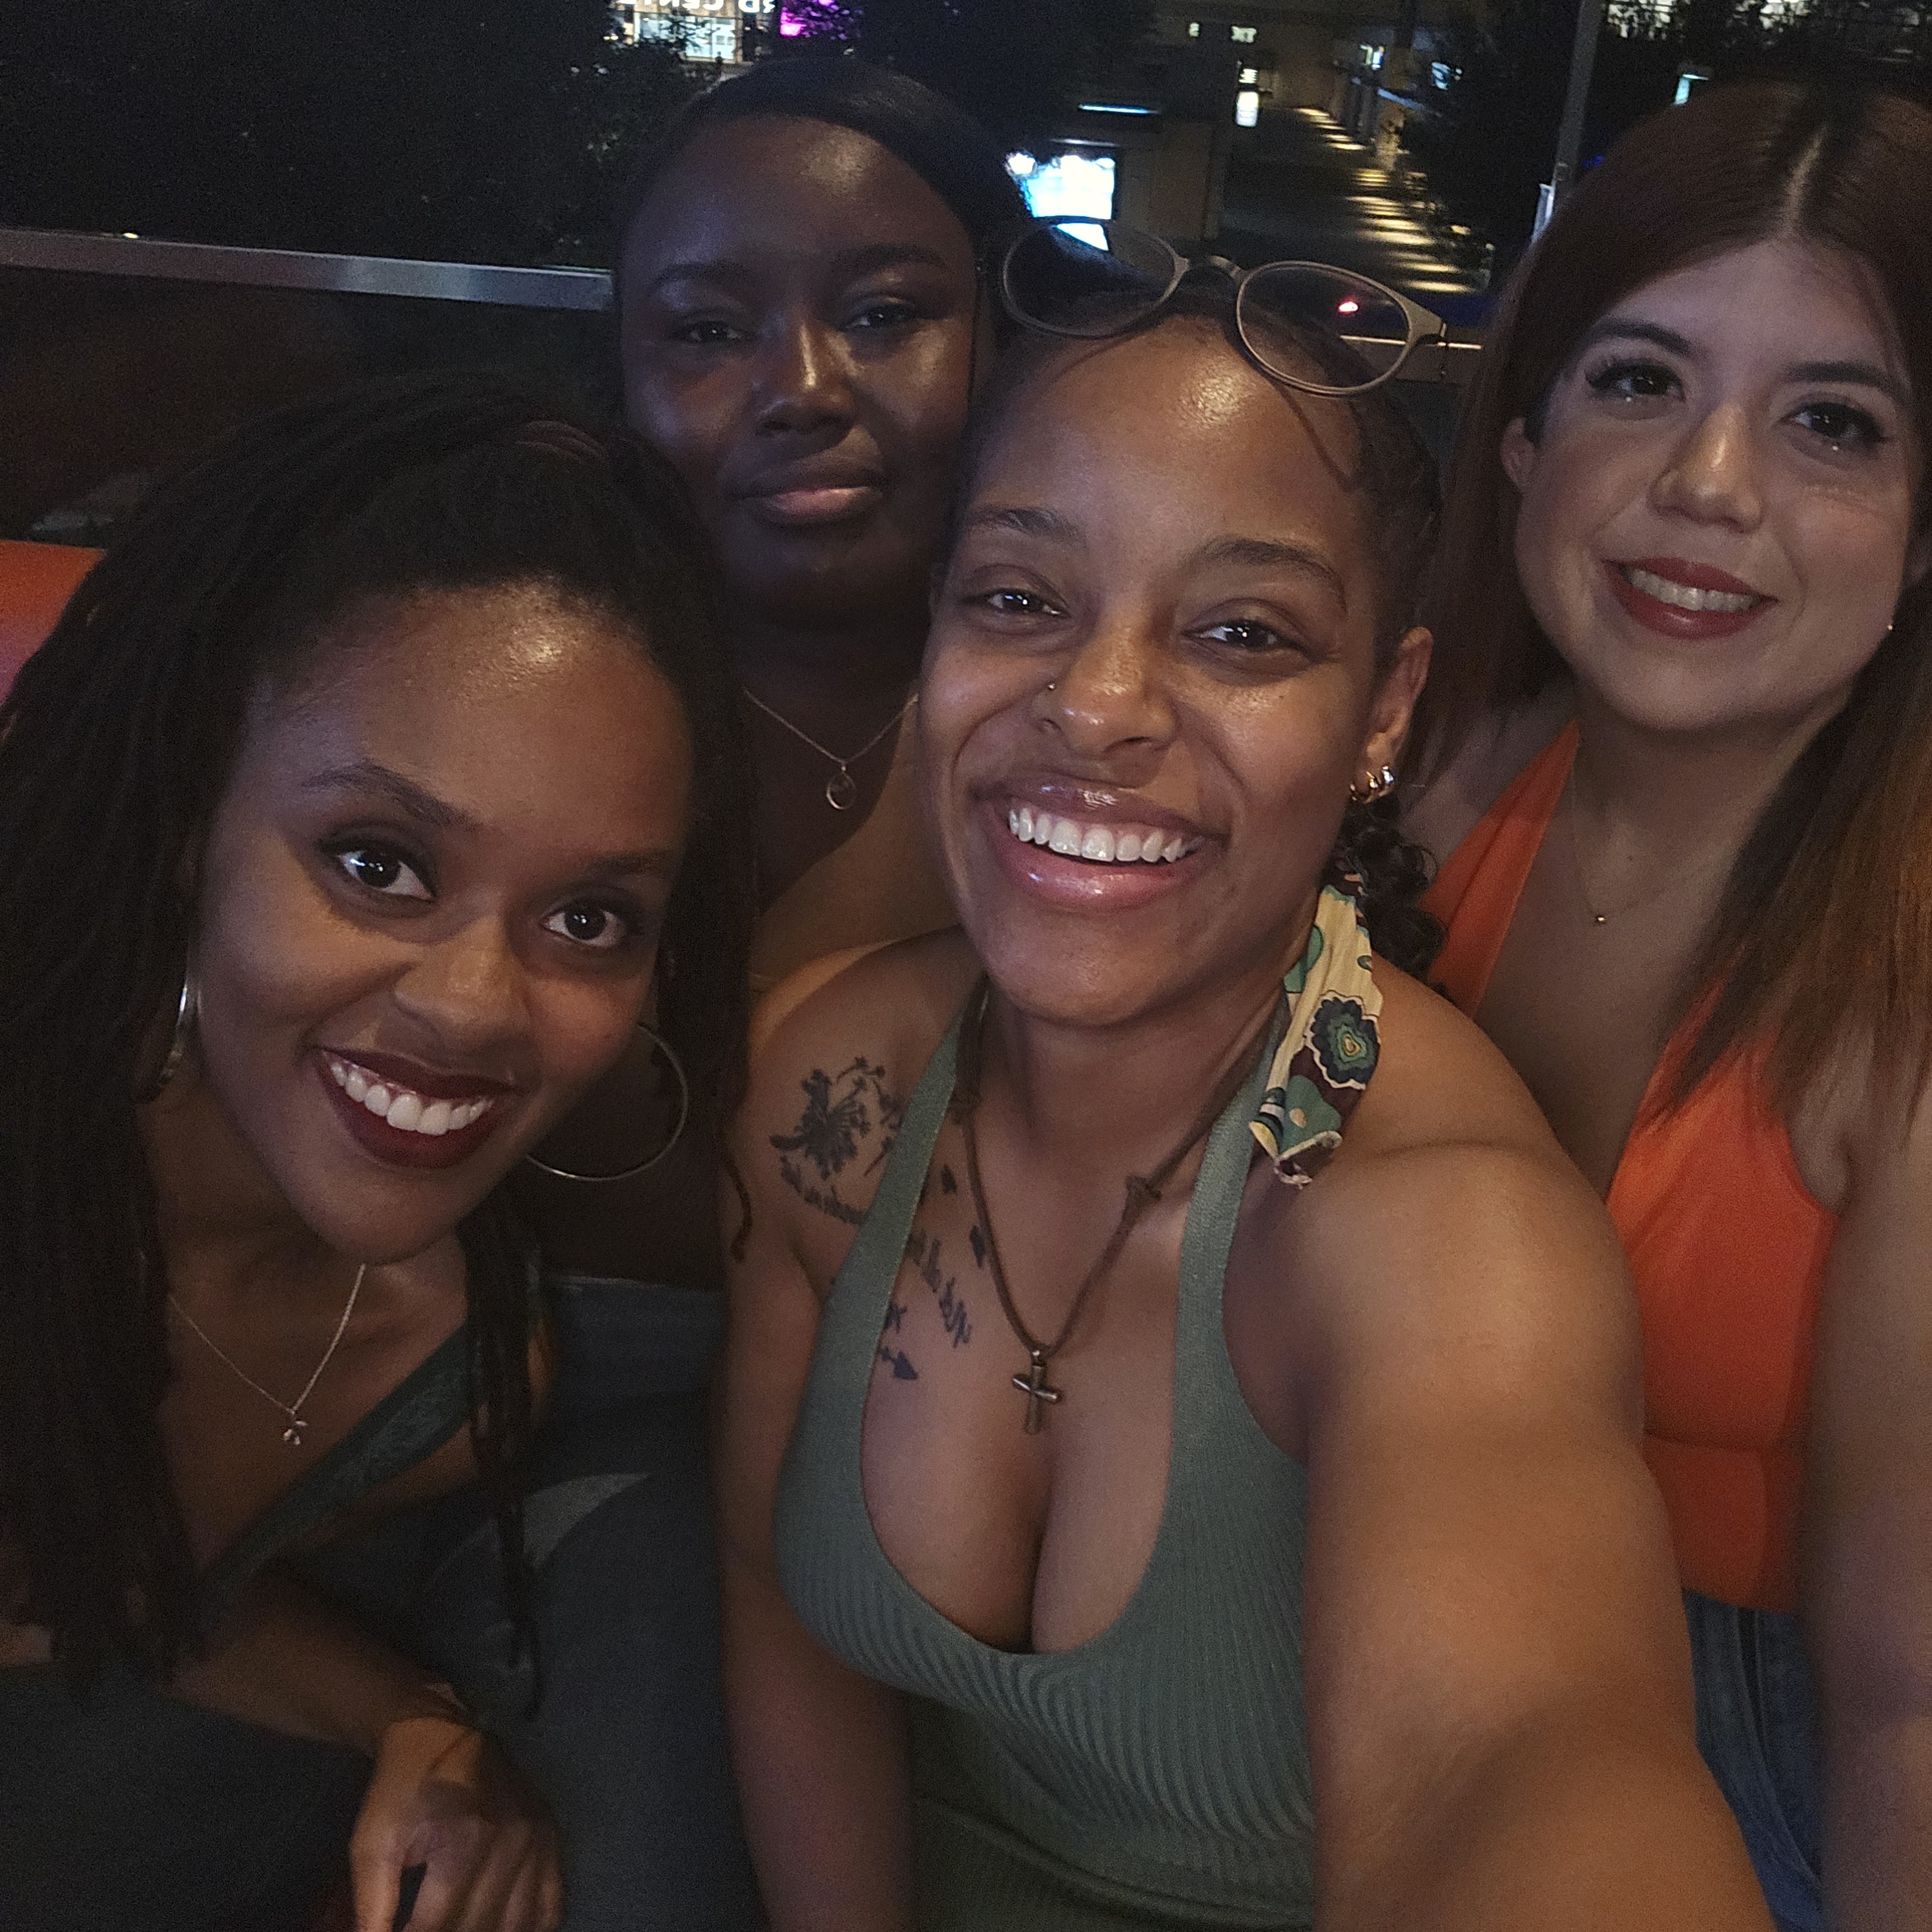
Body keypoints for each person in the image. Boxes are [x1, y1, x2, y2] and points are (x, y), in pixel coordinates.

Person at [715, 237, 1773, 1928]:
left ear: (1383, 712)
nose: (1096, 705)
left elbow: (1517, 1758)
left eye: (1240, 631)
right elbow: (776, 1596)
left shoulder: (1441, 1232)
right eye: (1018, 599)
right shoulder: (830, 1080)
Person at [0, 372, 761, 1932]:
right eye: (379, 861)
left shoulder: (449, 1367)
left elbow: (105, 1576)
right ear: (187, 818)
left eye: (587, 917)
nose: (474, 1003)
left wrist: (409, 1718)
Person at [1405, 83, 1932, 1932]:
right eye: (1638, 381)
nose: (1709, 483)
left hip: (1769, 1776)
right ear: (1524, 435)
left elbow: (1907, 1688)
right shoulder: (1415, 793)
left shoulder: (1904, 978)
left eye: (1832, 424)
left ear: (1923, 534)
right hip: (1359, 1671)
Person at [526, 58, 1027, 1288]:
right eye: (708, 331)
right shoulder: (513, 682)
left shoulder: (1095, 732)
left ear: (1005, 339)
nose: (802, 391)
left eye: (884, 315)